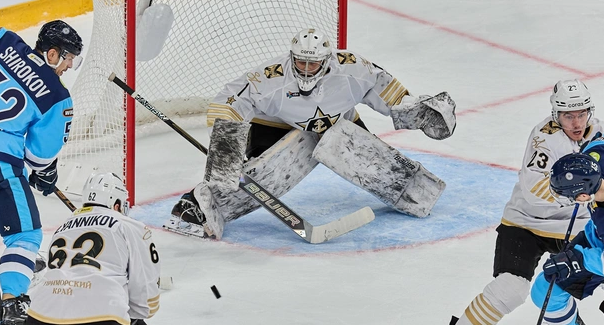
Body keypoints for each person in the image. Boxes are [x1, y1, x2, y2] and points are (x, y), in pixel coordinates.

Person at [168, 28, 456, 239]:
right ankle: (198, 204)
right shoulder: (270, 77)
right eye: (300, 62)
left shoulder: (353, 69)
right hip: (276, 125)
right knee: (263, 176)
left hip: (337, 122)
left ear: (327, 60)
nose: (306, 70)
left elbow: (387, 90)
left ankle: (414, 193)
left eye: (313, 63)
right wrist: (227, 148)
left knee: (367, 156)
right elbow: (229, 102)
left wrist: (419, 111)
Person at [436, 79, 604, 325]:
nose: (577, 122)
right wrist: (578, 194)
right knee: (510, 289)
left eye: (581, 114)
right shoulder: (544, 138)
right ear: (556, 114)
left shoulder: (602, 131)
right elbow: (533, 189)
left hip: (577, 224)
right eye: (568, 116)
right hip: (527, 222)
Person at [0, 15, 83, 325]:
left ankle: (25, 265)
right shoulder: (57, 97)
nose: (69, 66)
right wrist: (46, 171)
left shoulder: (3, 41)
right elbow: (38, 156)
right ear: (52, 53)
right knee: (26, 235)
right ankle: (13, 304)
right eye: (68, 58)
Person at [21, 172, 161, 325]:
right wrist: (131, 321)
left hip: (38, 324)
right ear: (116, 204)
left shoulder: (62, 228)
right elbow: (146, 298)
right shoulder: (129, 226)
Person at [528, 143, 604, 325]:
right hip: (598, 240)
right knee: (545, 289)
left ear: (583, 196)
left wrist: (578, 260)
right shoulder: (598, 152)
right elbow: (603, 138)